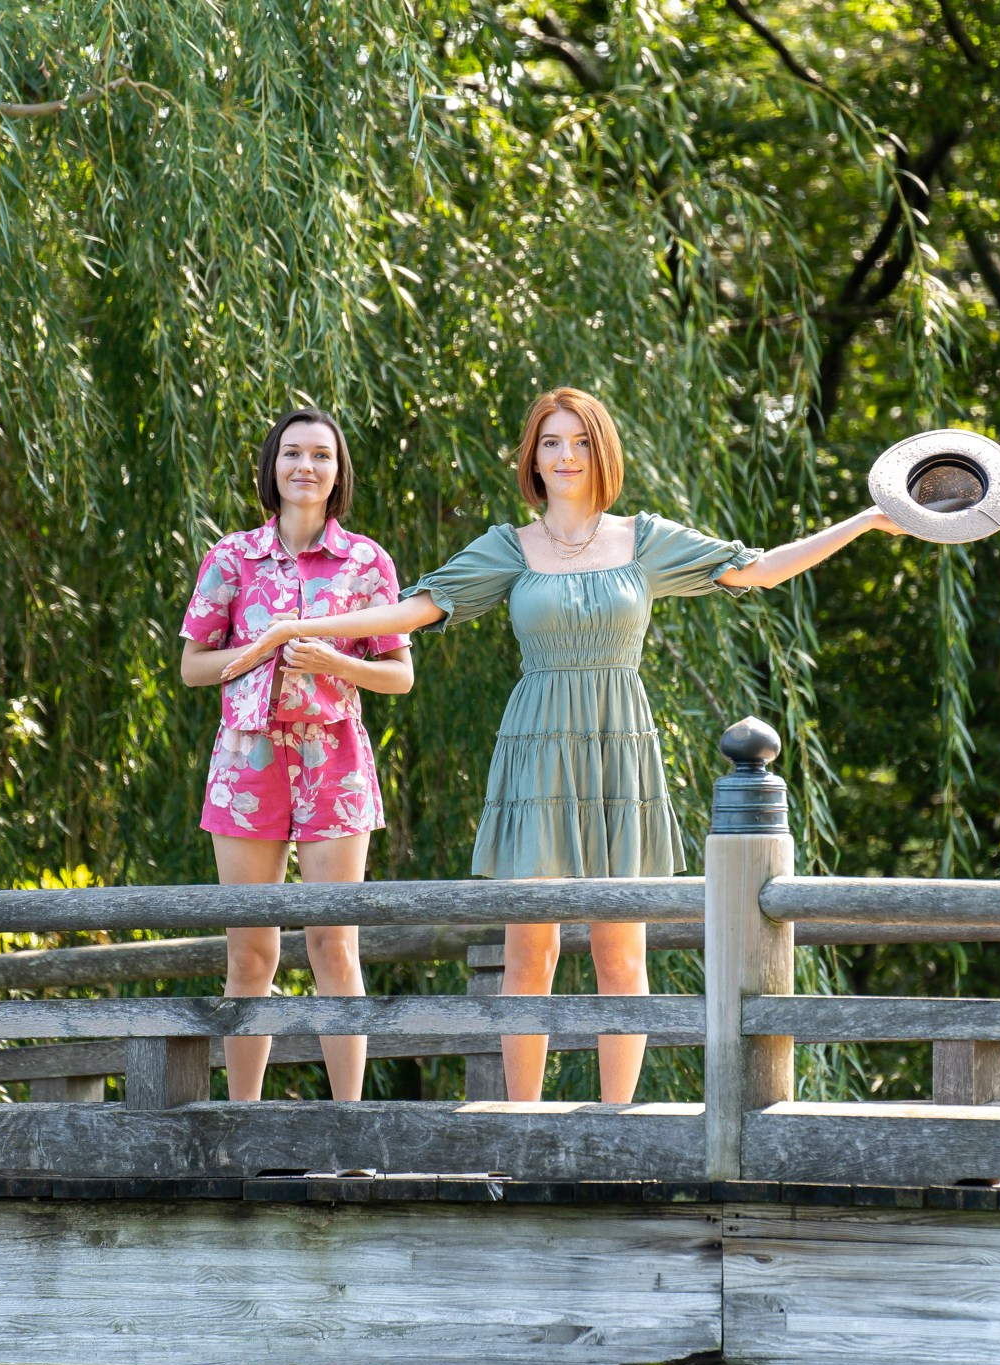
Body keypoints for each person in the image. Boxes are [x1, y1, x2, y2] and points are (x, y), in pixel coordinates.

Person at [220, 387, 904, 1102]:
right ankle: (522, 1130)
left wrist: (861, 522)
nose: (566, 454)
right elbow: (414, 608)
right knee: (530, 952)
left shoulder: (645, 541)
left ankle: (614, 1127)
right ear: (533, 458)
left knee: (620, 952)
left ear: (601, 451)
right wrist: (290, 633)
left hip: (619, 750)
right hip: (535, 752)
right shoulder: (508, 548)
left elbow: (759, 567)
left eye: (579, 440)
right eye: (551, 441)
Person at [180, 407, 413, 1101]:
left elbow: (399, 675)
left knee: (334, 946)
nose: (305, 467)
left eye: (321, 455)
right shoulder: (232, 557)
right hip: (248, 762)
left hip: (333, 760)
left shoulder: (366, 562)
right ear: (272, 468)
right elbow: (193, 667)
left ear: (338, 472)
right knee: (251, 952)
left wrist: (332, 663)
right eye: (291, 454)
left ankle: (348, 1126)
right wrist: (257, 655)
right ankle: (242, 1123)